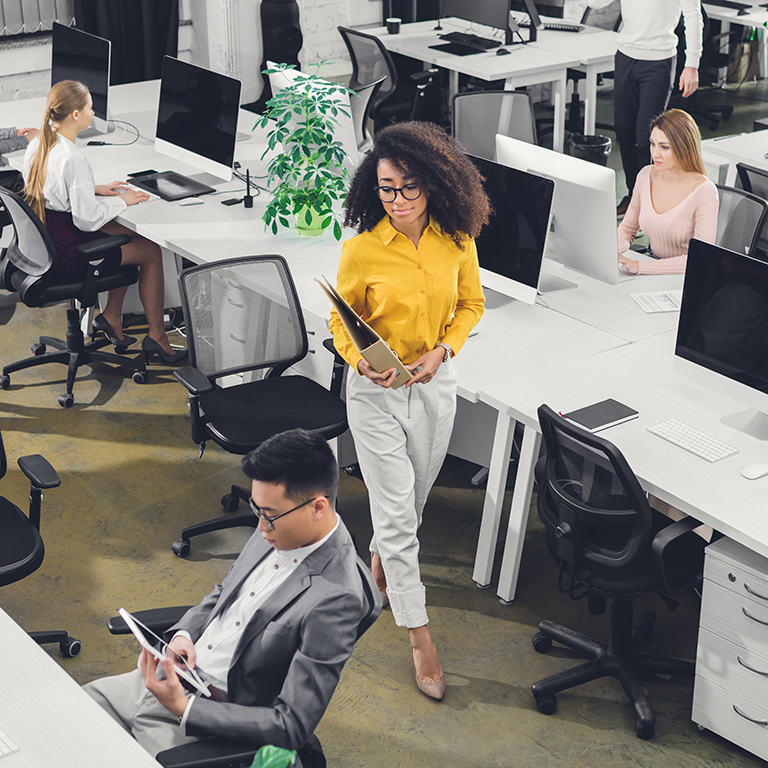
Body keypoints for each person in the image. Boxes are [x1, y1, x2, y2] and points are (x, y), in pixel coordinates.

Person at [85, 428, 370, 762]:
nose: (260, 529)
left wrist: (186, 708)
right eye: (256, 510)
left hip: (207, 718)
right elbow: (225, 593)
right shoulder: (278, 525)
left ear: (318, 507)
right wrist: (183, 635)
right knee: (66, 715)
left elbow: (292, 725)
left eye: (269, 517)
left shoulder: (337, 598)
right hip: (170, 677)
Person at [328, 121, 489, 701]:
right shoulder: (364, 246)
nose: (396, 201)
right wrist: (359, 360)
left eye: (409, 188)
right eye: (386, 188)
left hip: (434, 388)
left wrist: (445, 349)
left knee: (410, 506)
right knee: (397, 518)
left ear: (437, 183)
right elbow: (340, 320)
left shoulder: (457, 239)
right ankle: (420, 637)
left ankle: (375, 573)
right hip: (375, 393)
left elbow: (472, 303)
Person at [22, 80, 186, 364]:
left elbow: (54, 188)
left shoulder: (39, 142)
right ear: (75, 115)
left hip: (47, 242)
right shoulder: (73, 158)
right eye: (89, 108)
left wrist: (92, 188)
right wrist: (124, 200)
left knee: (125, 237)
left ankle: (111, 317)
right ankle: (157, 336)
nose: (93, 113)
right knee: (149, 251)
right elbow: (87, 221)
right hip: (68, 254)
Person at [587, 0, 703, 216]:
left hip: (659, 60)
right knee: (624, 131)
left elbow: (693, 16)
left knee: (647, 140)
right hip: (626, 55)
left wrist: (692, 64)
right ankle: (634, 196)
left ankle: (650, 203)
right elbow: (595, 3)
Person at [617, 108, 717, 276]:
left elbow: (698, 259)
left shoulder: (705, 192)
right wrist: (613, 249)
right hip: (652, 266)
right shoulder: (645, 175)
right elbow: (627, 229)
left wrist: (641, 267)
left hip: (685, 279)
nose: (655, 154)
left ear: (684, 148)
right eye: (652, 144)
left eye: (664, 147)